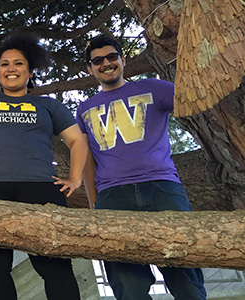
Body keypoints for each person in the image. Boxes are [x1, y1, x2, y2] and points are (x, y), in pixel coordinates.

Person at [0, 32, 85, 300]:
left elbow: (77, 141)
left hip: (41, 187)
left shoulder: (48, 105)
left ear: (30, 71)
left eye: (18, 63)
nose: (11, 68)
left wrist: (75, 178)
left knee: (55, 266)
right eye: (4, 64)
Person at [77, 35, 207, 300]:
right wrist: (94, 202)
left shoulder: (154, 88)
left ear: (123, 60)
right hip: (113, 196)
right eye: (98, 61)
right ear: (90, 69)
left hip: (162, 188)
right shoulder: (84, 109)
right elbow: (87, 158)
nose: (106, 63)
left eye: (112, 57)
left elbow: (197, 97)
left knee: (186, 278)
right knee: (127, 285)